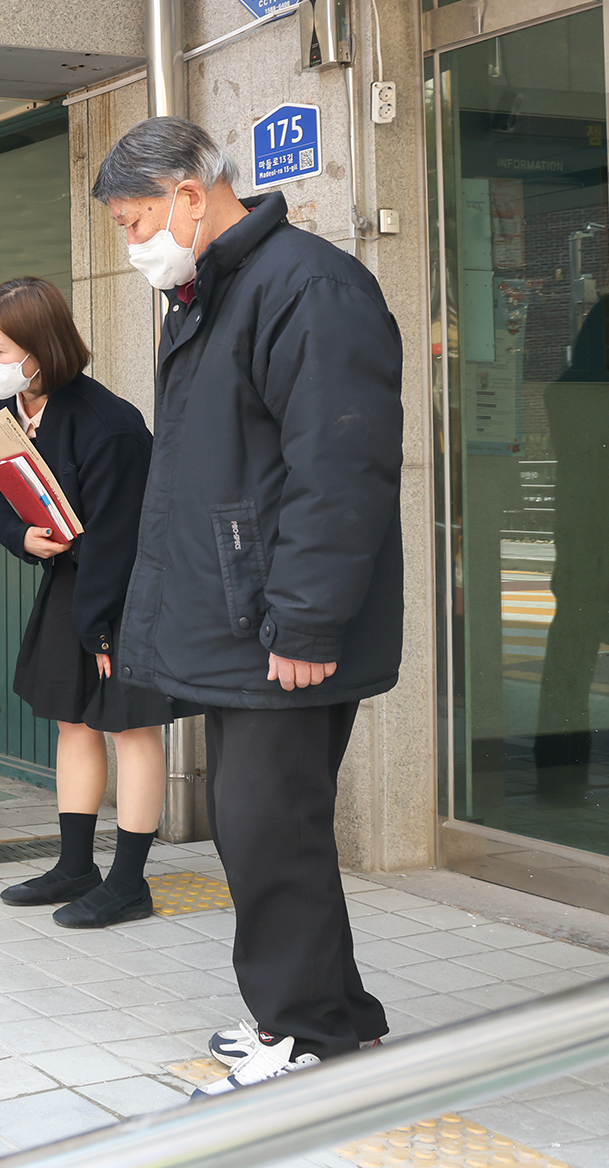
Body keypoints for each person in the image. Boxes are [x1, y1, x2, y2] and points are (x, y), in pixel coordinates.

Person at [92, 116, 401, 1095]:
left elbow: (339, 462)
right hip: (243, 620)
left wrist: (305, 620)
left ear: (190, 192)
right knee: (271, 825)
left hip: (281, 628)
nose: (131, 242)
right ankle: (335, 1014)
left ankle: (303, 1031)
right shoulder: (210, 295)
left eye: (136, 218)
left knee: (267, 826)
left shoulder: (304, 286)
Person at [0, 277, 170, 929]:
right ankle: (75, 865)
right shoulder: (4, 404)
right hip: (70, 580)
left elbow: (121, 535)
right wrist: (19, 534)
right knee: (71, 720)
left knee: (132, 728)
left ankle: (129, 881)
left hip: (127, 589)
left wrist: (104, 632)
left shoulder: (108, 424)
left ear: (39, 346)